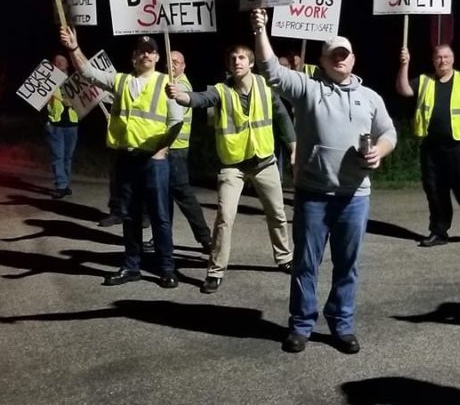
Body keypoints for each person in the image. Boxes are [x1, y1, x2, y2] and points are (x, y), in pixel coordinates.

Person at [251, 9, 397, 355]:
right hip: (314, 195)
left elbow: (389, 131)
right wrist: (260, 30)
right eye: (333, 55)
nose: (339, 60)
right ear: (323, 60)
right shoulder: (308, 88)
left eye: (344, 55)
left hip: (355, 196)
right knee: (305, 263)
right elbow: (271, 70)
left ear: (352, 59)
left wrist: (379, 150)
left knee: (348, 266)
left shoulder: (370, 97)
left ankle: (342, 324)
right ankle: (301, 324)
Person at [167, 44, 296, 294]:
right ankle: (215, 271)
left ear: (250, 63)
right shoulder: (221, 90)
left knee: (278, 213)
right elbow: (199, 99)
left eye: (242, 58)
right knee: (224, 217)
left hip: (264, 162)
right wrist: (181, 96)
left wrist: (293, 148)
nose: (237, 61)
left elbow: (281, 117)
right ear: (229, 65)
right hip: (233, 165)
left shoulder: (265, 86)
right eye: (233, 58)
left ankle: (284, 258)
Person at [61, 29, 182, 289]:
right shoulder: (122, 81)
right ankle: (131, 266)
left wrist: (163, 147)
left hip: (154, 161)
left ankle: (167, 268)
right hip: (127, 158)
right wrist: (74, 48)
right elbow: (87, 73)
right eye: (141, 50)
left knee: (160, 217)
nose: (146, 54)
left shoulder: (166, 83)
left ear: (158, 57)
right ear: (133, 57)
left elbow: (176, 121)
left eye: (150, 51)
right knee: (130, 216)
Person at [396, 44, 460, 247]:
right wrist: (405, 64)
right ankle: (439, 231)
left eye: (446, 57)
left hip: (459, 144)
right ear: (433, 60)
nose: (442, 61)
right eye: (438, 57)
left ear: (453, 59)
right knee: (435, 190)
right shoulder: (425, 81)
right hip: (431, 146)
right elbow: (403, 89)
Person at [166, 50, 213, 253]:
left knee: (183, 194)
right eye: (169, 62)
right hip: (165, 148)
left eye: (176, 62)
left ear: (183, 66)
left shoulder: (180, 85)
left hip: (175, 149)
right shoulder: (167, 83)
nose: (173, 65)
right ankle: (163, 237)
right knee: (163, 195)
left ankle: (205, 238)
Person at [45, 51, 79, 199]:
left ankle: (65, 183)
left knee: (67, 157)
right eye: (56, 61)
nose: (59, 63)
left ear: (68, 64)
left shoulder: (76, 81)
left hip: (72, 124)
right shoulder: (47, 82)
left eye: (62, 61)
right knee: (58, 156)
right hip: (55, 123)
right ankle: (61, 185)